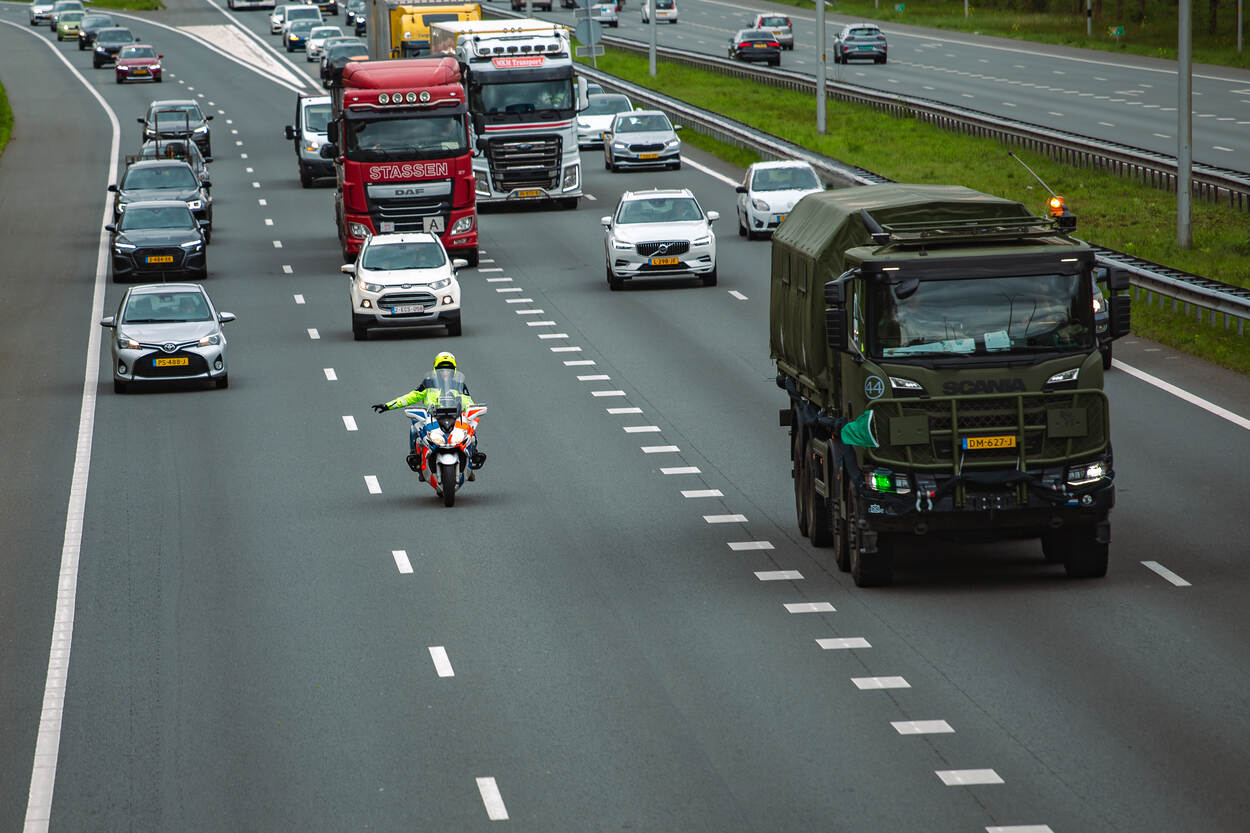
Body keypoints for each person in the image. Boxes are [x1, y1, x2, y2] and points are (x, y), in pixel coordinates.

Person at [371, 351, 486, 478]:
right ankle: (418, 460)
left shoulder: (459, 385)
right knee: (414, 428)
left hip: (454, 417)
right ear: (436, 371)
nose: (445, 372)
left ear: (453, 371)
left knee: (470, 429)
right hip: (433, 418)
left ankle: (471, 457)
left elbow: (468, 401)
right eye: (442, 370)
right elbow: (410, 397)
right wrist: (388, 405)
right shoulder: (428, 384)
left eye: (448, 370)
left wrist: (472, 411)